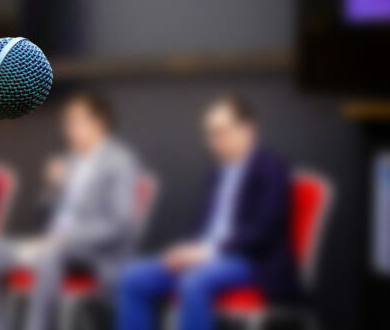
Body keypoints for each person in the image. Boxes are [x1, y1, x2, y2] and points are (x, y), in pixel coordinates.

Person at [0, 92, 141, 330]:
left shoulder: (120, 161)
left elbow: (119, 224)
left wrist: (64, 241)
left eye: (75, 121)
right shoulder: (68, 161)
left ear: (99, 122)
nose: (68, 128)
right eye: (66, 122)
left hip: (89, 253)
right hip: (46, 244)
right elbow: (42, 218)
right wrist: (52, 189)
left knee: (48, 256)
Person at [116, 95, 299, 330]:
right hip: (207, 256)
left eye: (221, 132)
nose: (213, 141)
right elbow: (205, 228)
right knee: (133, 278)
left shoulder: (272, 166)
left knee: (193, 282)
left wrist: (208, 252)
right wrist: (187, 250)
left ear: (247, 129)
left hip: (252, 259)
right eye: (210, 133)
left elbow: (263, 229)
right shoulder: (217, 173)